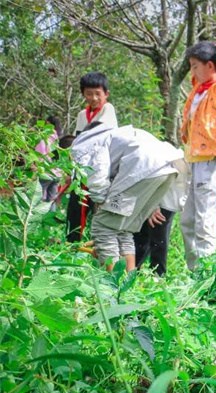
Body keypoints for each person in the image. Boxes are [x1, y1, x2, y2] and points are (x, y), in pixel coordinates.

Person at [69, 122, 181, 271]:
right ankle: (127, 281)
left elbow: (97, 173)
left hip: (143, 168)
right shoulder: (115, 136)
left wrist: (102, 201)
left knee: (103, 227)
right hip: (168, 168)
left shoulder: (83, 147)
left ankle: (112, 285)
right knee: (124, 230)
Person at [179, 41, 216, 270]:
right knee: (188, 220)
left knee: (205, 220)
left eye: (196, 66)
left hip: (211, 159)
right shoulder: (197, 89)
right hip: (193, 160)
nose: (192, 72)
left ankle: (205, 274)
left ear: (212, 66)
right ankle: (193, 270)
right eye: (191, 66)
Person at [67, 72, 119, 242]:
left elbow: (98, 138)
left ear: (106, 94)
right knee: (76, 208)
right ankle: (73, 244)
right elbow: (77, 141)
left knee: (98, 209)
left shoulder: (107, 109)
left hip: (102, 168)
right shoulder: (82, 115)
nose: (94, 97)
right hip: (82, 169)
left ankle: (99, 245)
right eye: (89, 94)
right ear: (83, 94)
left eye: (98, 93)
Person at [133, 156, 188, 276]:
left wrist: (153, 204)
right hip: (163, 186)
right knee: (145, 235)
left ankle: (158, 275)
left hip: (167, 190)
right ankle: (134, 270)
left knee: (157, 235)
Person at [35, 115, 63, 208]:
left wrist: (36, 167)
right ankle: (50, 221)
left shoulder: (44, 138)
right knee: (52, 200)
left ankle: (38, 221)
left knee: (39, 199)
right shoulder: (57, 138)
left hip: (46, 172)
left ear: (48, 123)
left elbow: (40, 154)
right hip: (57, 173)